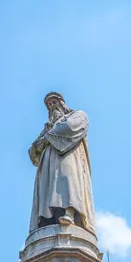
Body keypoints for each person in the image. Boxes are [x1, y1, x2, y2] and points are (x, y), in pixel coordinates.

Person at [29, 92, 96, 235]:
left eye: (54, 102)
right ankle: (47, 220)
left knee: (68, 182)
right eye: (49, 105)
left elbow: (70, 127)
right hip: (48, 163)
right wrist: (46, 137)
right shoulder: (48, 128)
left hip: (69, 156)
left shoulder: (78, 115)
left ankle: (70, 213)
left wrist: (46, 137)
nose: (52, 106)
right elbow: (32, 151)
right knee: (48, 187)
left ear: (62, 103)